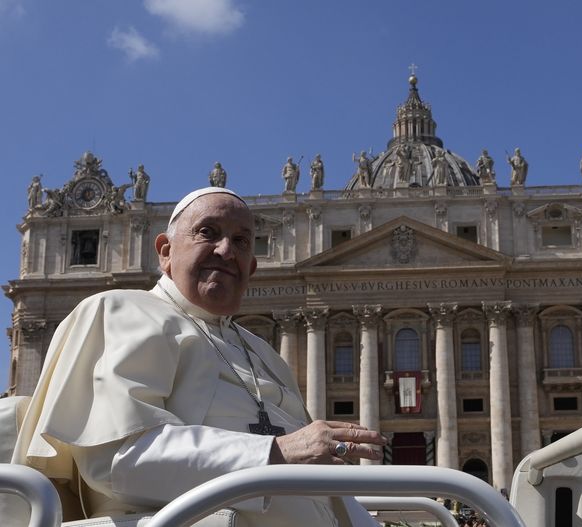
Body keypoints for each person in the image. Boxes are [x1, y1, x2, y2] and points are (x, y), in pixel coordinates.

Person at [11, 187, 387, 526]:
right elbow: (119, 459)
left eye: (241, 242)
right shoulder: (118, 312)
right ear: (165, 251)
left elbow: (324, 486)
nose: (226, 250)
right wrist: (275, 450)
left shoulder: (264, 354)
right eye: (208, 232)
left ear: (251, 268)